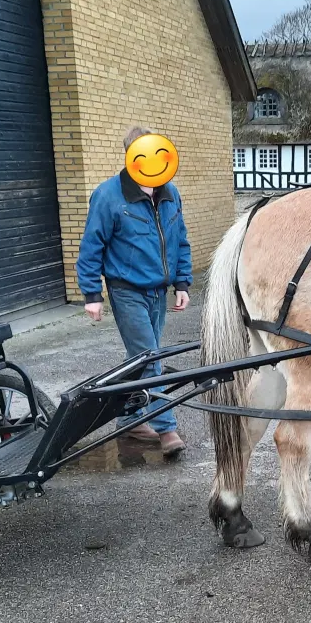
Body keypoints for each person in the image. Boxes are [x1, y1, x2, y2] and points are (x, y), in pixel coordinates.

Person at [76, 126, 192, 457]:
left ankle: (129, 420)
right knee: (151, 357)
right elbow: (91, 247)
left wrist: (182, 282)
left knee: (140, 358)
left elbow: (179, 239)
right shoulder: (108, 196)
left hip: (157, 290)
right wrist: (92, 295)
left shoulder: (171, 194)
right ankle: (166, 428)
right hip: (126, 290)